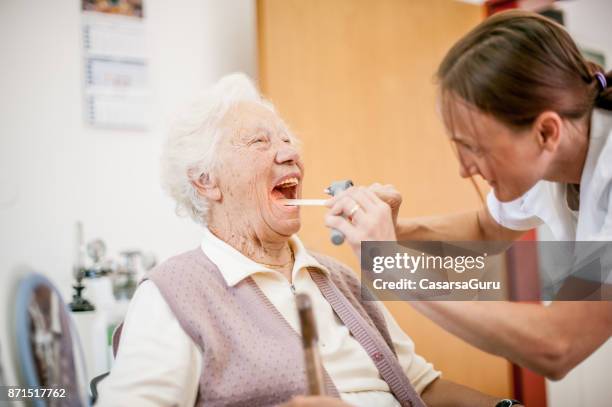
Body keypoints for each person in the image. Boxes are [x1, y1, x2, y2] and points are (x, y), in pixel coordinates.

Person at [96, 74, 512, 407]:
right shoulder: (176, 293)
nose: (289, 153)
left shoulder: (340, 278)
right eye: (261, 141)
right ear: (206, 182)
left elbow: (421, 386)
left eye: (287, 139)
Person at [325, 10, 612, 382]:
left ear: (546, 133)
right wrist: (395, 230)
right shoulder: (552, 162)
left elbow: (558, 343)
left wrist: (395, 269)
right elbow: (484, 229)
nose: (465, 169)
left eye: (475, 148)